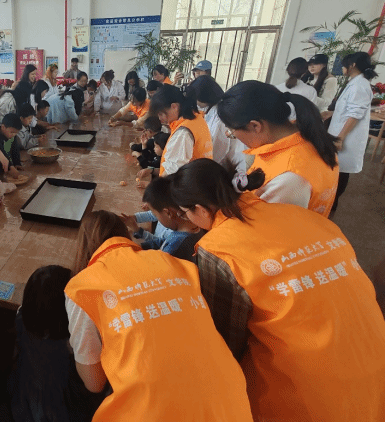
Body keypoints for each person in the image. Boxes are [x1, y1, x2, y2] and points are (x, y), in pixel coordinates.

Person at [164, 159, 385, 421]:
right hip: (375, 367)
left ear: (199, 209)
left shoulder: (219, 248)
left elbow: (225, 342)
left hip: (310, 398)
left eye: (185, 213)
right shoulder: (302, 215)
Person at [64, 211, 253, 422]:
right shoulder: (172, 261)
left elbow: (94, 383)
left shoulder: (82, 287)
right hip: (233, 401)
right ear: (125, 233)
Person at [217, 80, 338, 216]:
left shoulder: (290, 178)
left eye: (232, 132)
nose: (230, 135)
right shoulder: (304, 133)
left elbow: (263, 223)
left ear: (255, 126)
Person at [10, 265, 102, 422]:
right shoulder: (73, 347)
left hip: (25, 404)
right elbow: (95, 385)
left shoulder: (21, 318)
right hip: (62, 412)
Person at [327, 51, 377, 213]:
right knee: (337, 171)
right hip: (340, 132)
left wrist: (340, 138)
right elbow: (347, 109)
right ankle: (329, 203)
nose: (342, 68)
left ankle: (332, 207)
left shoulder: (359, 85)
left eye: (344, 65)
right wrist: (330, 114)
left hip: (346, 137)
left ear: (352, 65)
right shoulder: (356, 83)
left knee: (341, 173)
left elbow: (355, 115)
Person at [144, 84, 213, 177]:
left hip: (190, 183)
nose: (159, 118)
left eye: (161, 114)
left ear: (174, 106)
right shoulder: (197, 119)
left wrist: (156, 185)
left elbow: (172, 171)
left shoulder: (183, 132)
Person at [121, 177, 202, 255]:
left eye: (156, 215)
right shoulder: (182, 229)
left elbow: (160, 255)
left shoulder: (174, 248)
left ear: (168, 213)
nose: (156, 217)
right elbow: (162, 242)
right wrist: (139, 246)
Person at [186, 75, 247, 175]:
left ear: (204, 97)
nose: (195, 102)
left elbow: (218, 151)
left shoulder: (219, 118)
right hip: (217, 164)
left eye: (195, 98)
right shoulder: (212, 109)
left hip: (225, 168)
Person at [0, 113, 23, 178]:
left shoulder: (12, 136)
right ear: (3, 127)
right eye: (12, 132)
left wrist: (17, 163)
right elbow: (2, 154)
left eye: (16, 133)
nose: (14, 135)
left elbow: (15, 150)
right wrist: (10, 167)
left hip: (10, 165)